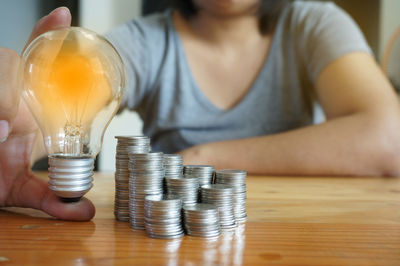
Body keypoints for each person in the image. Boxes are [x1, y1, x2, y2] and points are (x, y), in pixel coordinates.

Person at [1, 0, 399, 221]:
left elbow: (389, 139)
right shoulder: (146, 41)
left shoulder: (314, 24)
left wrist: (203, 158)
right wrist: (13, 138)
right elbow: (55, 102)